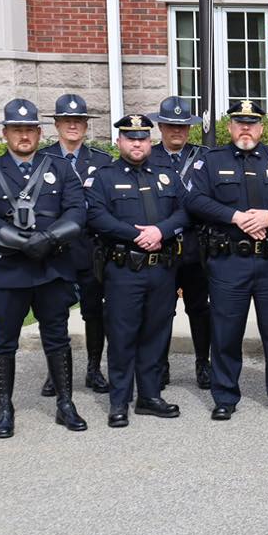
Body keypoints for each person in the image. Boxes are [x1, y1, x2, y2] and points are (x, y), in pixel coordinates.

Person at [0, 99, 87, 436]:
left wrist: (47, 238)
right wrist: (22, 243)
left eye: (30, 129)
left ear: (39, 132)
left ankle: (65, 404)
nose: (24, 135)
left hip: (51, 267)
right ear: (5, 133)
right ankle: (5, 408)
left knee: (57, 338)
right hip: (8, 270)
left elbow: (77, 211)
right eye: (17, 129)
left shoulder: (61, 168)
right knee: (4, 341)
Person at [184, 99, 268, 420]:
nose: (246, 129)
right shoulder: (211, 162)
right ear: (230, 126)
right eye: (240, 122)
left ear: (262, 128)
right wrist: (236, 216)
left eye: (252, 123)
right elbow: (195, 200)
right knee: (226, 332)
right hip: (228, 261)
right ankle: (225, 396)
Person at [84, 114, 188, 427]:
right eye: (130, 138)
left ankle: (149, 396)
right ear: (119, 142)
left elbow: (186, 210)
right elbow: (96, 217)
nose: (137, 143)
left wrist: (161, 231)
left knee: (157, 334)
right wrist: (137, 235)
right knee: (122, 335)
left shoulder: (167, 174)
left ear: (150, 141)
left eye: (142, 137)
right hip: (123, 270)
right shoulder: (104, 176)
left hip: (161, 270)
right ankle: (119, 401)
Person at [39, 93, 114, 397]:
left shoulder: (102, 161)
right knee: (53, 313)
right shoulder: (42, 159)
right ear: (56, 124)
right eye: (67, 120)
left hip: (89, 248)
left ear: (86, 125)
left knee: (94, 312)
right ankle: (55, 372)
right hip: (55, 250)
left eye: (79, 121)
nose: (73, 126)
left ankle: (94, 369)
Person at [150, 96, 212, 390]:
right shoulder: (147, 157)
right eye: (171, 126)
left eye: (183, 126)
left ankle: (203, 363)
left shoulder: (205, 157)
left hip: (196, 245)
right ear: (161, 126)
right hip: (160, 247)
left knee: (199, 309)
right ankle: (160, 365)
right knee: (161, 311)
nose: (177, 131)